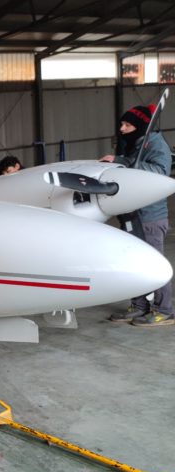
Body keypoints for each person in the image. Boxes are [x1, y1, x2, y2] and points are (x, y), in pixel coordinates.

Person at [102, 104, 173, 326]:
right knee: (134, 263)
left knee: (155, 265)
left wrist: (123, 162)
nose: (122, 129)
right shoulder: (137, 144)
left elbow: (160, 172)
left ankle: (164, 310)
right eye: (122, 124)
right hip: (132, 215)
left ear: (141, 126)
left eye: (127, 125)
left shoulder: (156, 145)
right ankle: (139, 305)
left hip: (150, 216)